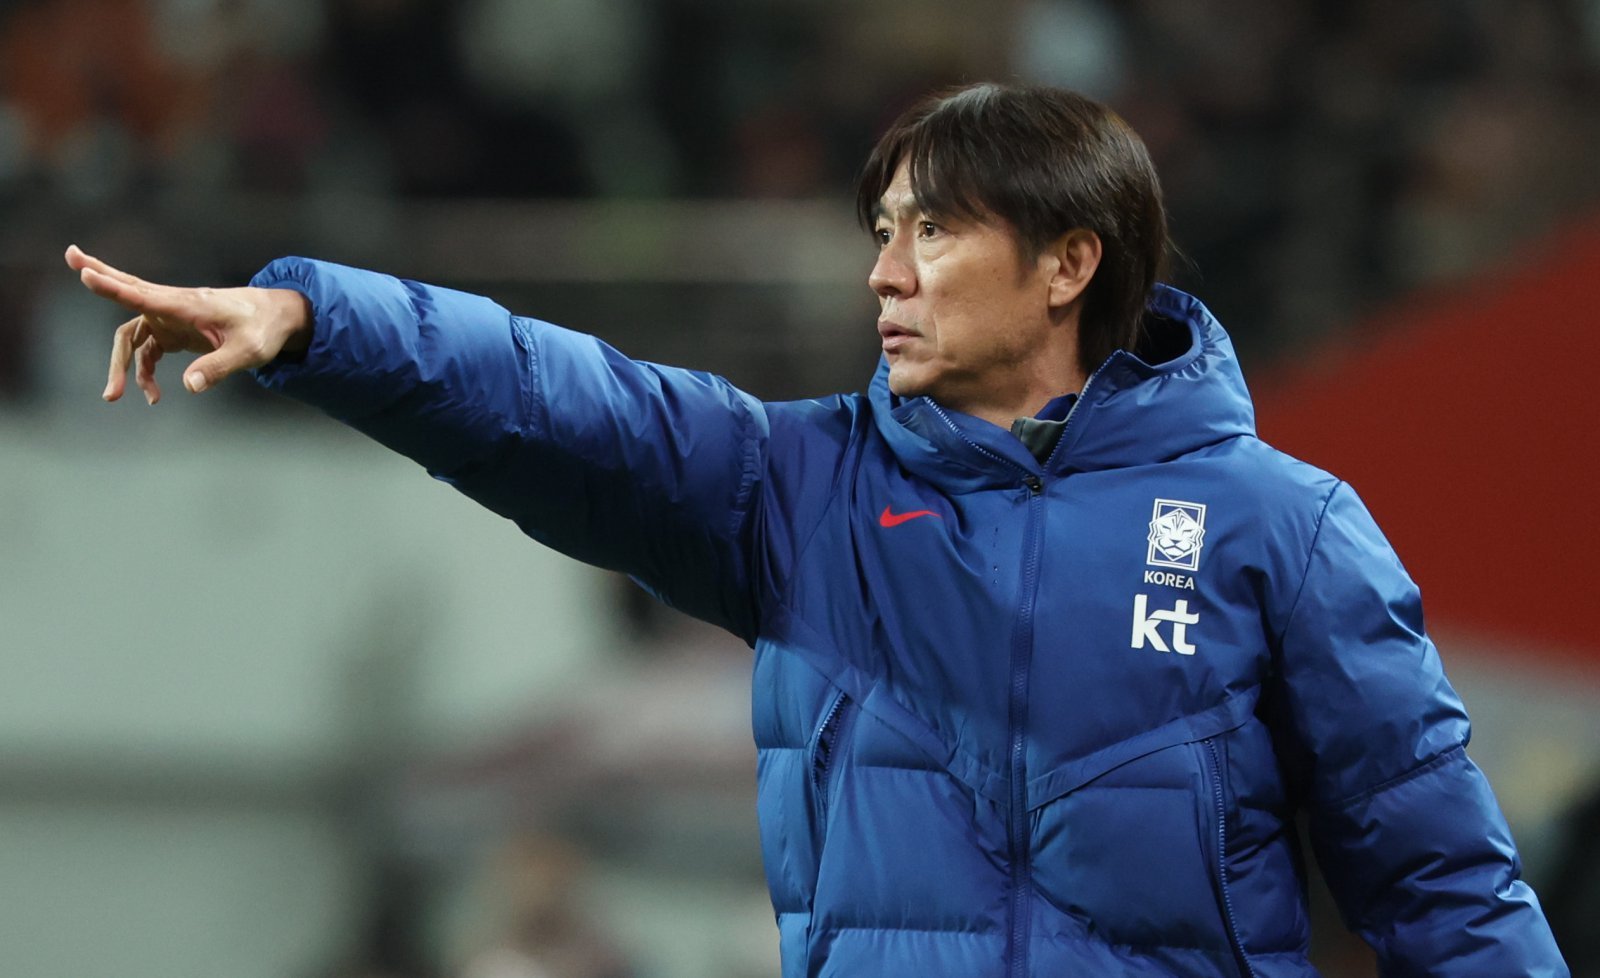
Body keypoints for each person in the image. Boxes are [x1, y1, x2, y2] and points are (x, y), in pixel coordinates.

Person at [68, 83, 1566, 977]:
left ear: (1069, 263)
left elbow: (1442, 882)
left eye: (934, 231)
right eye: (881, 232)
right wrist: (322, 320)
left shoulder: (1280, 528)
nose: (884, 274)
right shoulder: (796, 487)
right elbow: (559, 399)